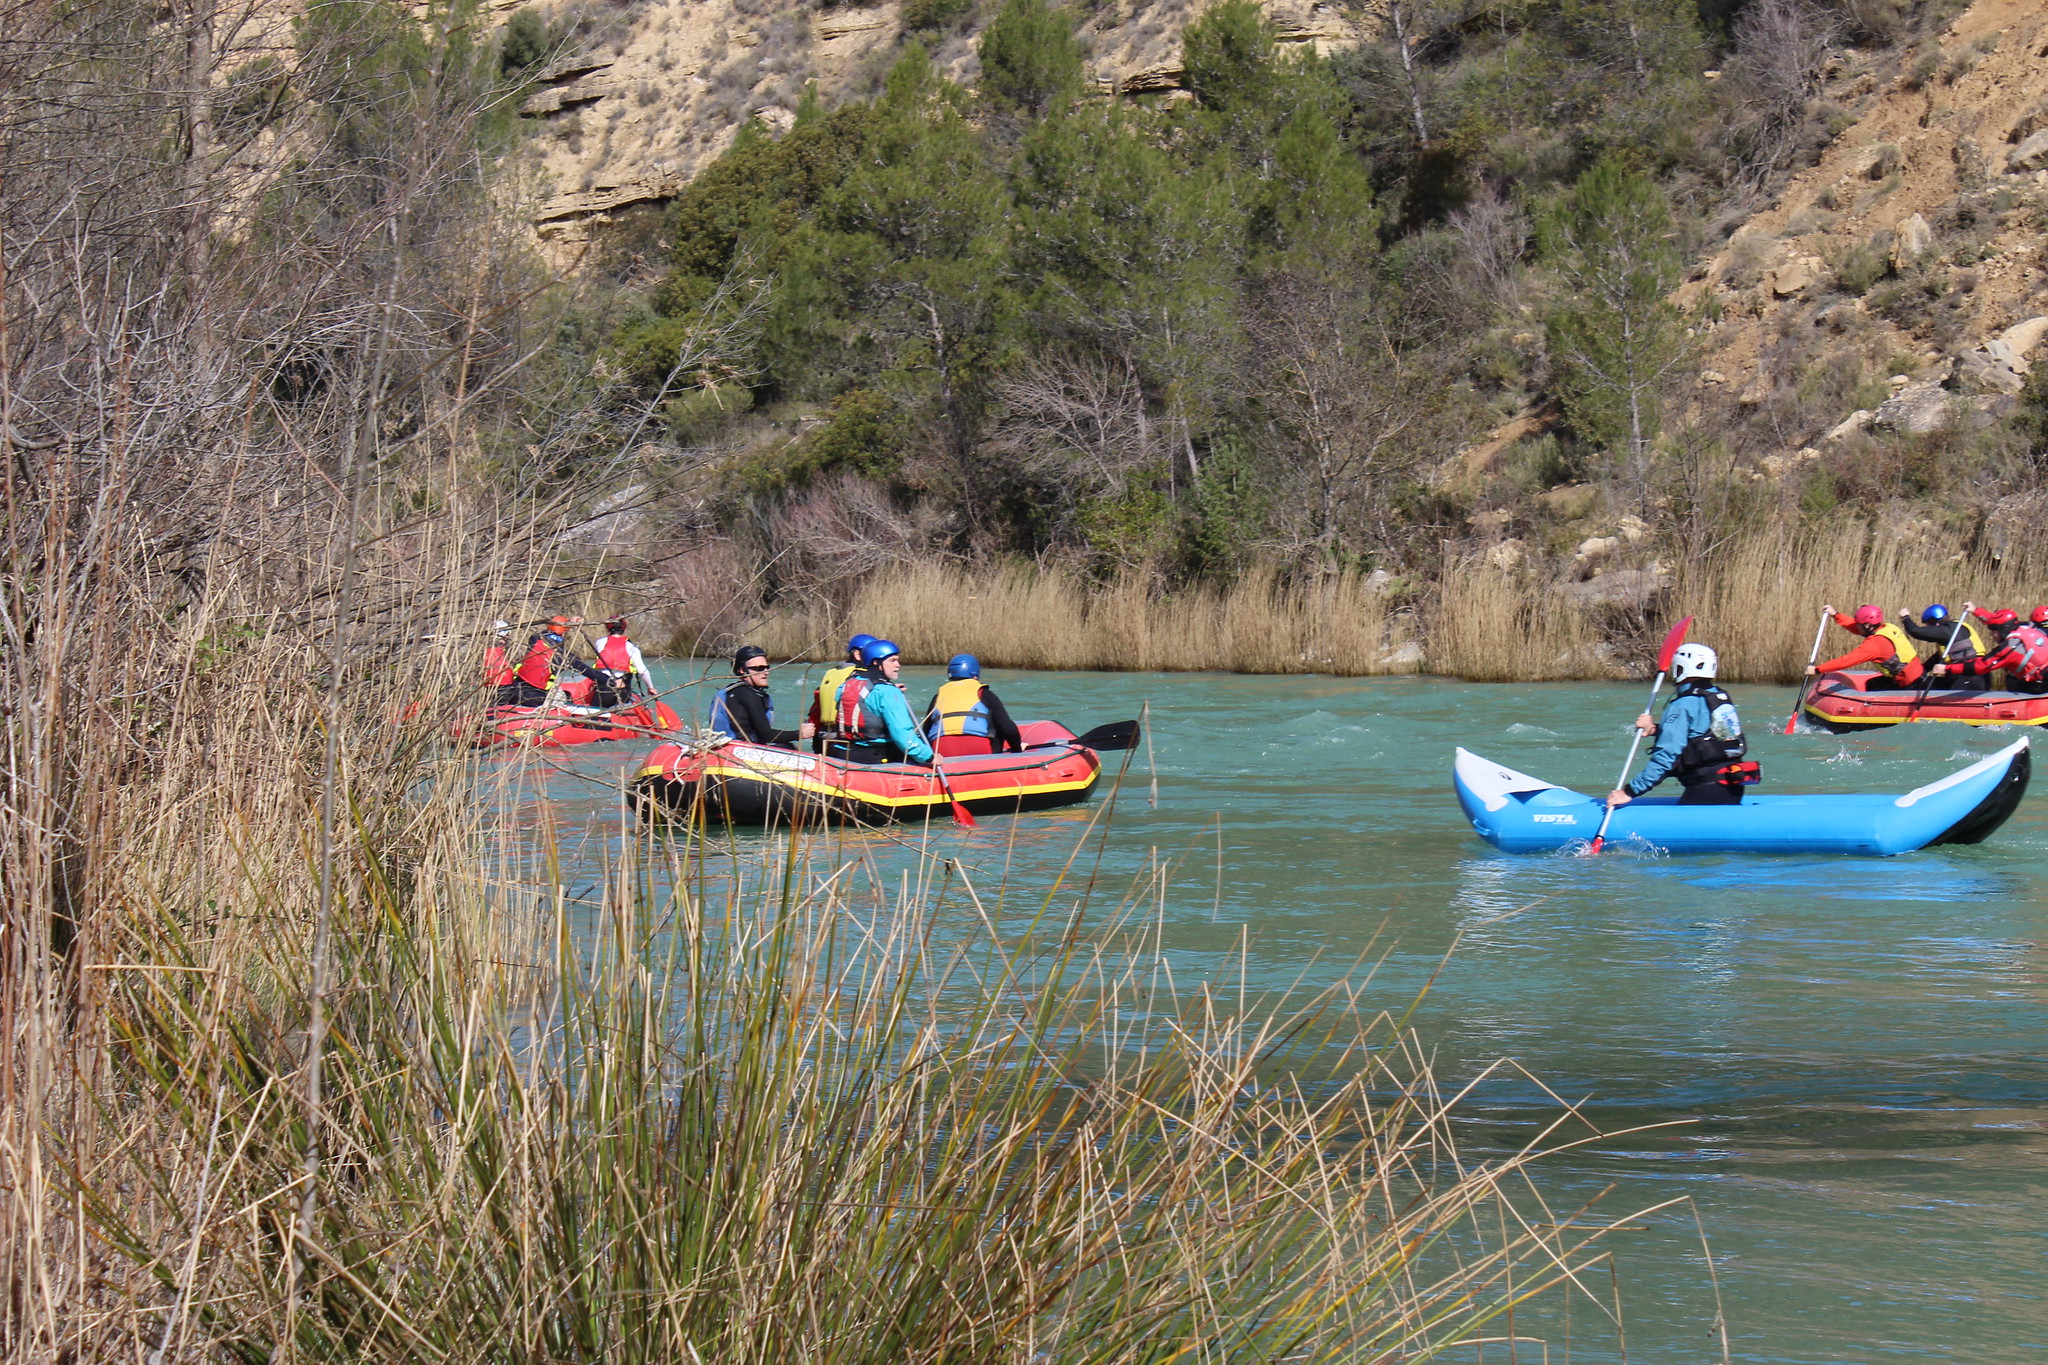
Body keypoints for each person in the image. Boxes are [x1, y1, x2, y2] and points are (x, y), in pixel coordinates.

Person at [1605, 643, 1756, 809]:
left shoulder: (1683, 704)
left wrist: (1629, 792)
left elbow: (1665, 758)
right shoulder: (1717, 695)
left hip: (1707, 791)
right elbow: (1704, 736)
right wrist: (1656, 729)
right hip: (1732, 787)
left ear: (1681, 668)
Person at [828, 638, 933, 765]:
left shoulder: (846, 684)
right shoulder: (887, 692)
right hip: (879, 756)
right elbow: (902, 733)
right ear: (876, 663)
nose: (898, 665)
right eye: (892, 661)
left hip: (845, 752)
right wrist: (929, 757)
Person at [1932, 603, 2048, 695]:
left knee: (2011, 679)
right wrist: (1975, 610)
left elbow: (1982, 666)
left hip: (2039, 684)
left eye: (1994, 631)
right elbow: (1994, 619)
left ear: (2002, 631)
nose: (1992, 635)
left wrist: (1947, 669)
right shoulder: (2027, 626)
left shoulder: (2011, 648)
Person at [922, 654, 1023, 754]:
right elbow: (1008, 729)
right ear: (975, 675)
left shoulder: (938, 697)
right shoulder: (983, 693)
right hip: (979, 750)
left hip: (942, 751)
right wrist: (1017, 750)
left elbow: (925, 732)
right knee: (998, 725)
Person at [709, 646, 811, 745]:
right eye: (759, 668)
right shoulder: (748, 695)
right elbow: (767, 735)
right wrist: (800, 734)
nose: (766, 672)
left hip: (726, 748)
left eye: (767, 668)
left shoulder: (732, 691)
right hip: (741, 752)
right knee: (788, 747)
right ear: (742, 670)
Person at [1808, 604, 1923, 689]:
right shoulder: (1887, 627)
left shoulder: (1874, 644)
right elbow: (1856, 627)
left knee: (1871, 686)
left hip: (1908, 683)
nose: (1857, 626)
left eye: (1859, 624)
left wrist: (1818, 669)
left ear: (1867, 625)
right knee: (1873, 684)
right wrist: (1836, 615)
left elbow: (1847, 661)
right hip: (1920, 674)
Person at [496, 621, 601, 708]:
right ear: (563, 635)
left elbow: (543, 633)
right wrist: (610, 681)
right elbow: (591, 673)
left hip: (515, 690)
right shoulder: (565, 656)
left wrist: (565, 623)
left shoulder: (535, 640)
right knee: (561, 696)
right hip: (536, 698)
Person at [806, 632, 876, 754]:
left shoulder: (832, 673)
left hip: (822, 737)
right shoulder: (861, 676)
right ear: (857, 654)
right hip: (844, 740)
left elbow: (816, 709)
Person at [1898, 603, 1990, 691]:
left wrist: (1905, 618)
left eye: (1928, 625)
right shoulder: (1951, 632)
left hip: (1972, 677)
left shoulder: (1950, 630)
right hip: (1959, 676)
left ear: (1936, 623)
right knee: (1923, 683)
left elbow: (1915, 631)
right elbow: (1936, 659)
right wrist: (1919, 673)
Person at [590, 616, 650, 708]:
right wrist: (650, 687)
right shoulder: (631, 647)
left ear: (608, 628)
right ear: (623, 628)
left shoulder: (599, 643)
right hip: (623, 691)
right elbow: (642, 671)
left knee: (595, 715)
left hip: (604, 690)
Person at [482, 621, 515, 689]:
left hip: (490, 683)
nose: (508, 636)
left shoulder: (486, 649)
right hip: (504, 682)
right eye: (507, 634)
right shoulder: (499, 649)